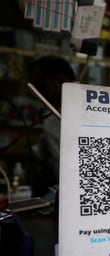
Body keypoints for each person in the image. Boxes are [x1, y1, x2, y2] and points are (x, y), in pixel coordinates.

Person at [27, 56, 76, 194]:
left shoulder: (93, 112)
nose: (37, 94)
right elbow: (41, 153)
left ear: (60, 80)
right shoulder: (50, 121)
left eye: (41, 86)